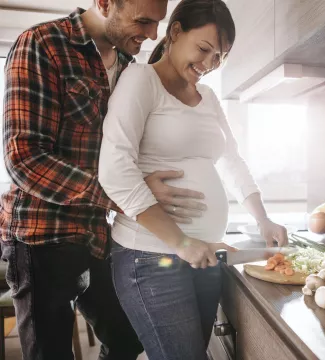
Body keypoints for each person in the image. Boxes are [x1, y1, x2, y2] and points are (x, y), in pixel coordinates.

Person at [1, 1, 207, 359]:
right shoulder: (42, 43)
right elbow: (25, 159)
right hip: (40, 237)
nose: (153, 34)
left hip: (95, 234)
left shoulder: (130, 68)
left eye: (158, 23)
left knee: (129, 337)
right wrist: (126, 195)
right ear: (105, 3)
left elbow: (121, 155)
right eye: (143, 21)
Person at [98, 0, 289, 359]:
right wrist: (181, 241)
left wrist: (263, 219)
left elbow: (232, 160)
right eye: (203, 49)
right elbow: (114, 169)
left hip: (204, 255)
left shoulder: (210, 98)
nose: (208, 64)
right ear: (174, 32)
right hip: (150, 256)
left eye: (219, 57)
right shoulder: (141, 79)